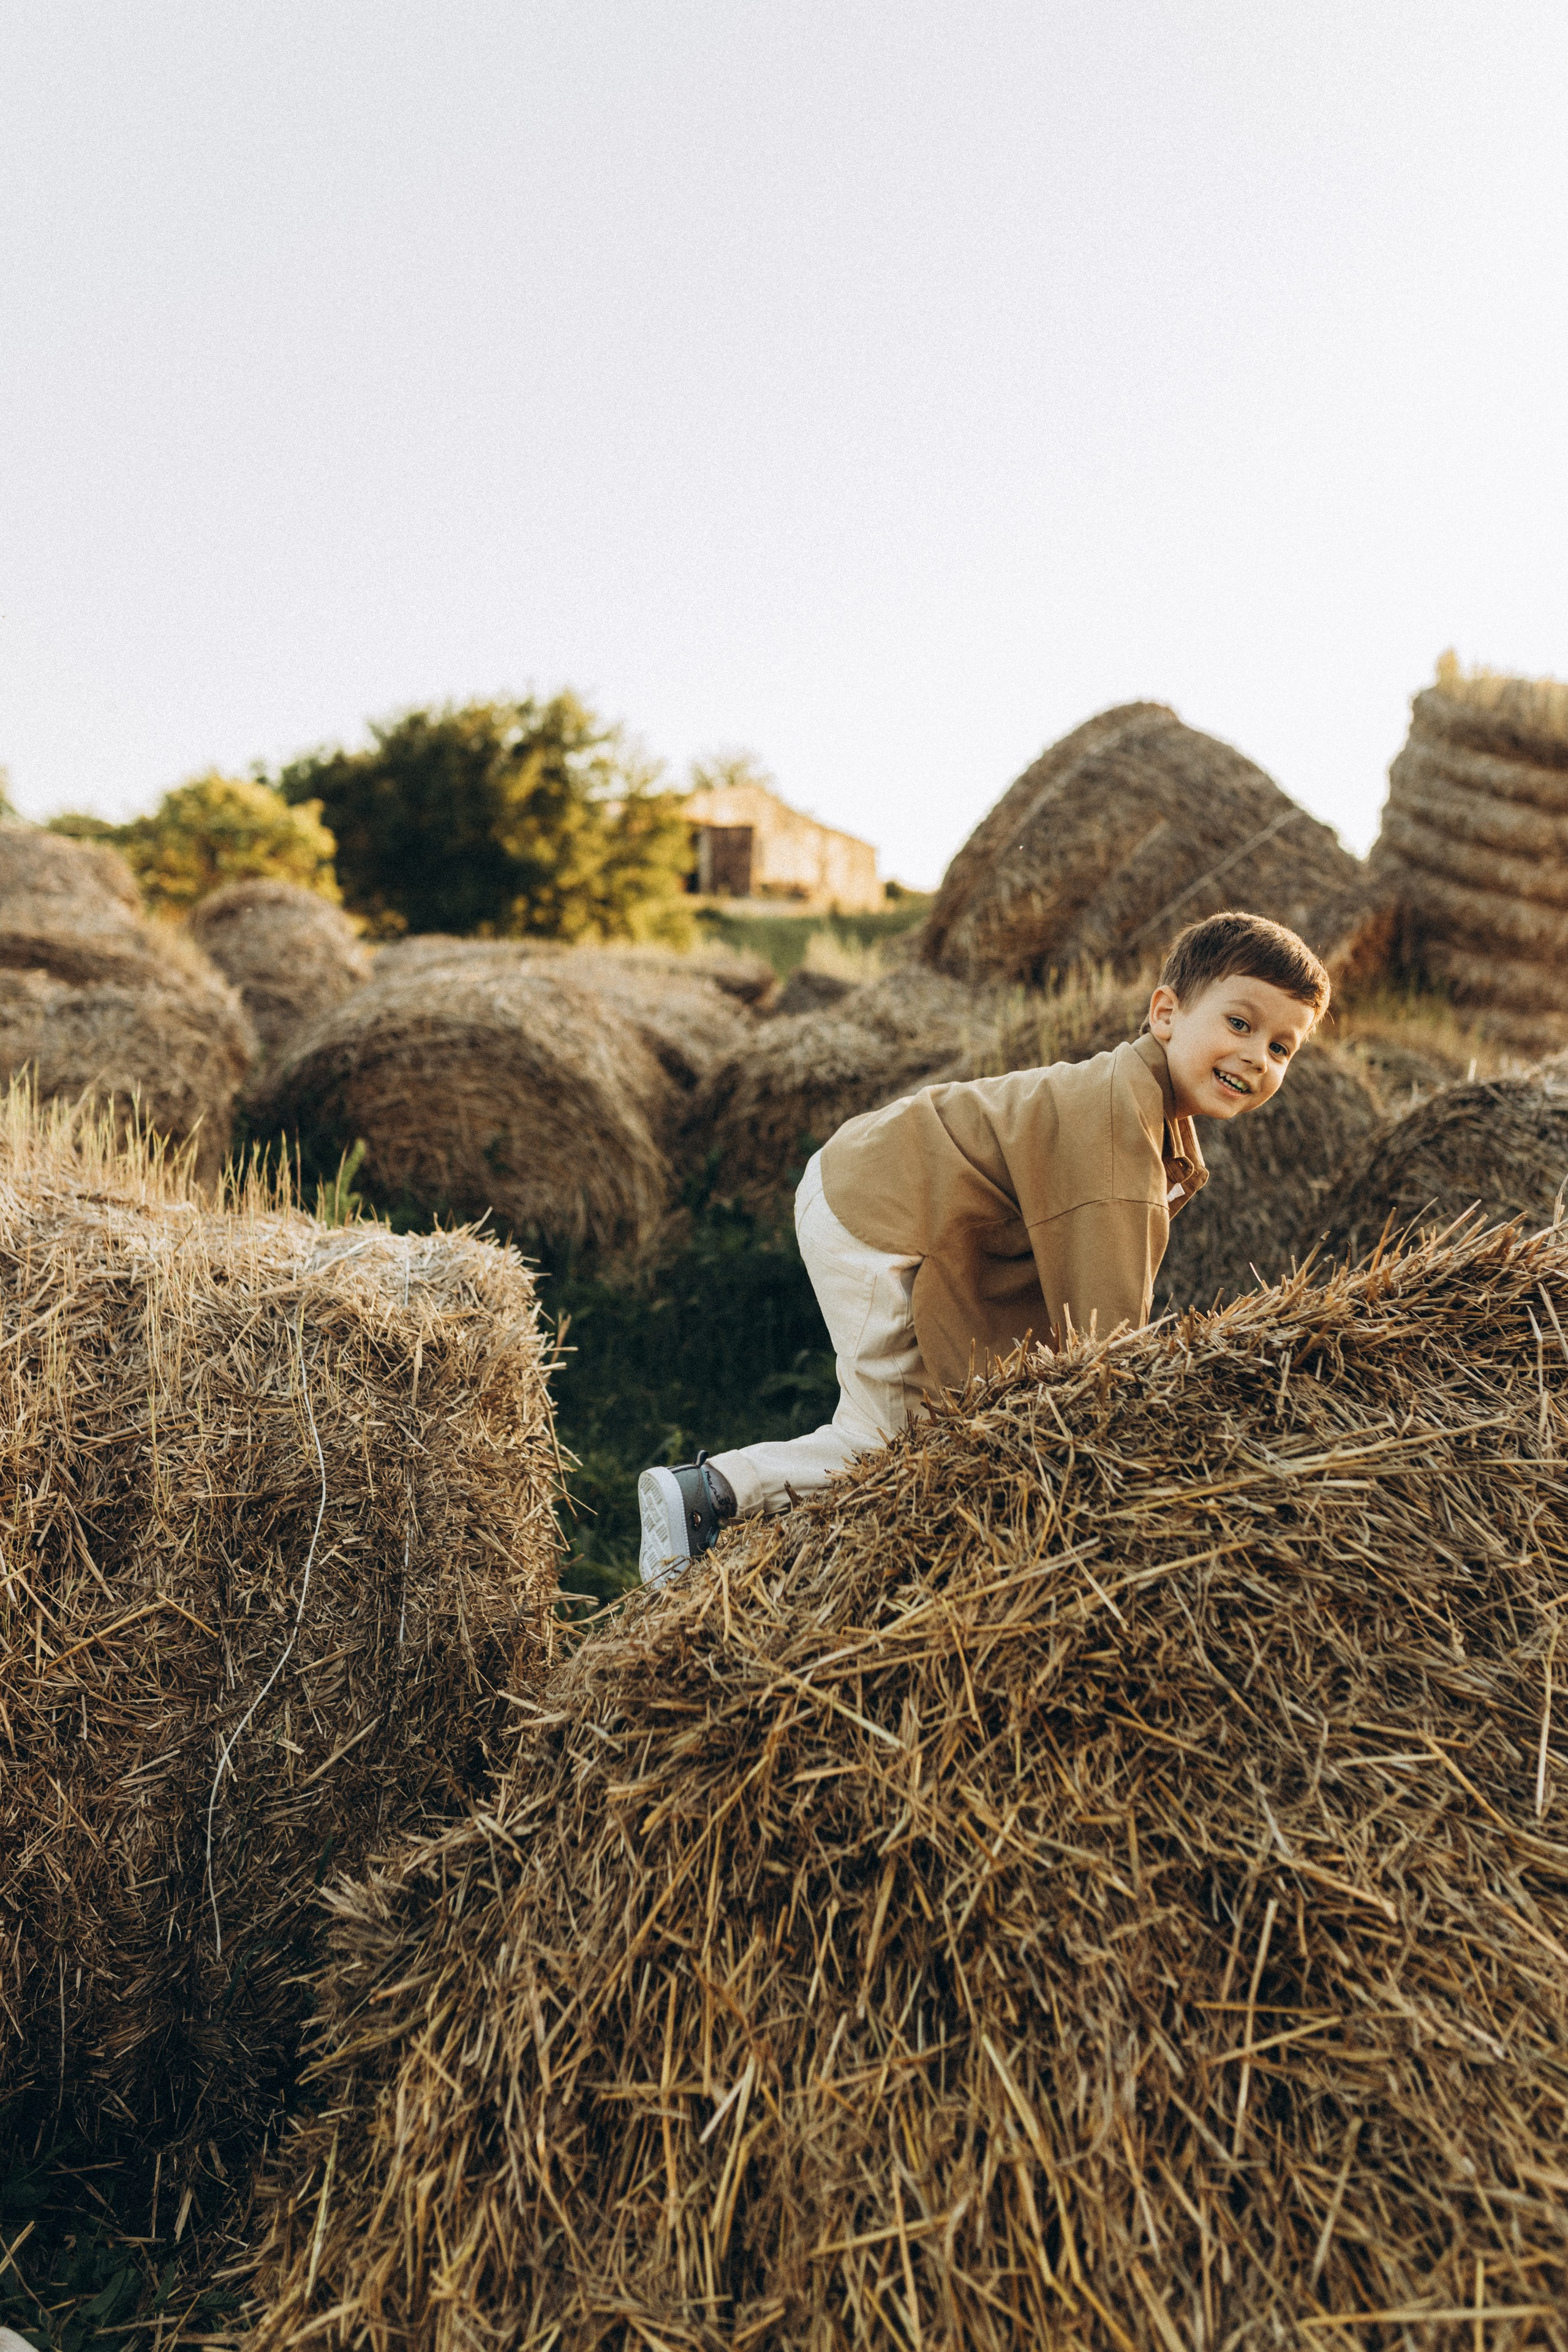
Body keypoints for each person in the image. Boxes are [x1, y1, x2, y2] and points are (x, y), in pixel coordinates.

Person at [638, 908, 1327, 1585]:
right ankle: (706, 1498)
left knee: (933, 1433)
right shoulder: (1120, 1132)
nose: (1254, 1056)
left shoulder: (1136, 1106)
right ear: (1166, 1013)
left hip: (877, 1188)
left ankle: (774, 1551)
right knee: (889, 1439)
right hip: (871, 1213)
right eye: (1239, 1023)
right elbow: (1109, 1346)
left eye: (1279, 1047)